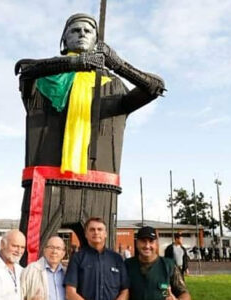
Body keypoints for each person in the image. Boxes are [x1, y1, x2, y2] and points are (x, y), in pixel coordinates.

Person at [15, 13, 166, 263]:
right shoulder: (44, 82)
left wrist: (117, 63)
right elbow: (25, 70)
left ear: (98, 40)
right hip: (47, 183)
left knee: (103, 261)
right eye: (75, 30)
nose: (82, 34)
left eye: (88, 30)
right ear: (64, 40)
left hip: (100, 186)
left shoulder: (113, 85)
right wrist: (78, 63)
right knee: (30, 261)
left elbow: (155, 87)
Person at [65, 217, 129, 300]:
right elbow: (70, 292)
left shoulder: (117, 258)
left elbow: (125, 290)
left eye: (100, 229)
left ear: (105, 234)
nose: (96, 232)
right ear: (86, 234)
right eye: (92, 230)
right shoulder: (77, 258)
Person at [125, 226, 191, 300]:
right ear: (137, 243)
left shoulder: (169, 266)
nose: (147, 246)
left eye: (151, 241)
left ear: (156, 244)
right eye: (143, 241)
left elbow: (184, 293)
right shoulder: (126, 265)